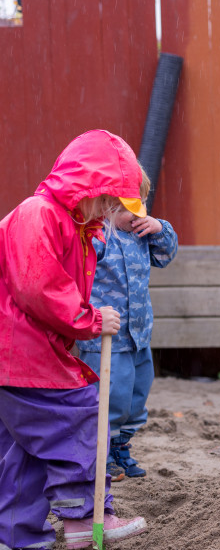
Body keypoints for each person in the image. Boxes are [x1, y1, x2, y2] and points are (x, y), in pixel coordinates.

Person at [0, 129, 149, 550]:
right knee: (78, 418)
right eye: (104, 201)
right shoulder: (39, 215)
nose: (107, 212)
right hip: (24, 355)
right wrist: (91, 319)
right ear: (83, 187)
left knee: (23, 450)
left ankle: (17, 535)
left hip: (17, 356)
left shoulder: (76, 225)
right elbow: (37, 286)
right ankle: (85, 515)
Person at [76, 166, 178, 481]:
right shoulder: (97, 235)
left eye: (140, 205)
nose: (135, 215)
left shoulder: (142, 234)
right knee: (109, 397)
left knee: (136, 395)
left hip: (138, 334)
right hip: (104, 337)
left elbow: (166, 255)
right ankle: (100, 454)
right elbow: (76, 266)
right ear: (107, 206)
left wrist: (160, 227)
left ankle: (121, 446)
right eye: (127, 209)